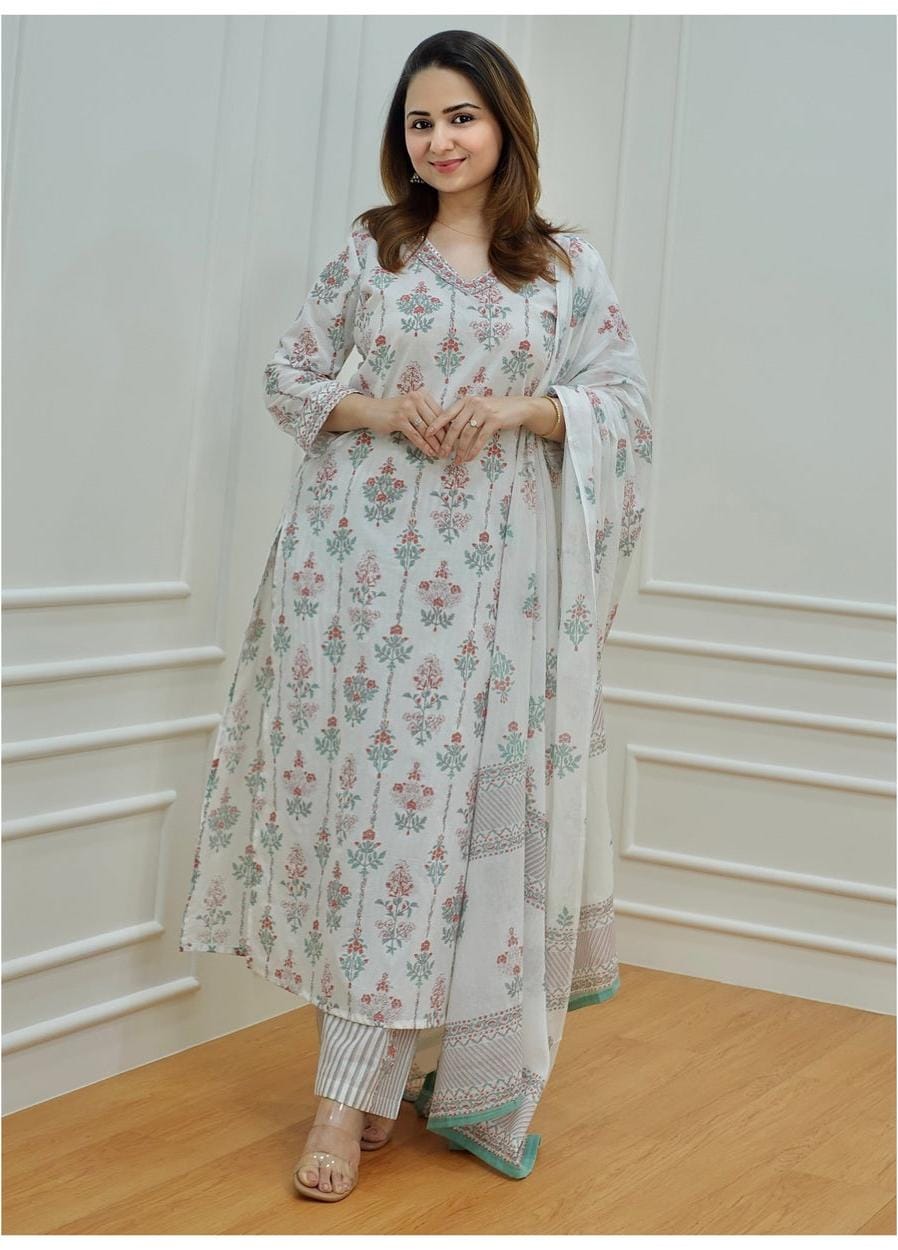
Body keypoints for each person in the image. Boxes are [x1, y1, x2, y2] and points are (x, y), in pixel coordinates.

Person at [178, 27, 653, 1202]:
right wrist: (383, 409)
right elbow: (290, 377)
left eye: (460, 116)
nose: (439, 140)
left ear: (504, 122)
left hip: (494, 601)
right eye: (420, 121)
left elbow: (624, 407)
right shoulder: (373, 249)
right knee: (369, 827)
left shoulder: (563, 267)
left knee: (428, 838)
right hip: (352, 581)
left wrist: (524, 409)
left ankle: (360, 1091)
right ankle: (355, 1087)